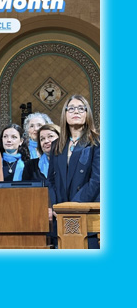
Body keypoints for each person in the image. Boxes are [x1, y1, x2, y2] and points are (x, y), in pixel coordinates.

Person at [48, 95, 100, 241]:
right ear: (65, 114)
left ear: (87, 114)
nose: (75, 112)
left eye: (80, 109)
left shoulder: (96, 142)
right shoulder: (56, 145)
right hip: (60, 212)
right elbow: (51, 180)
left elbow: (97, 179)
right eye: (71, 108)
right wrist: (55, 205)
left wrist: (74, 205)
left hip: (87, 210)